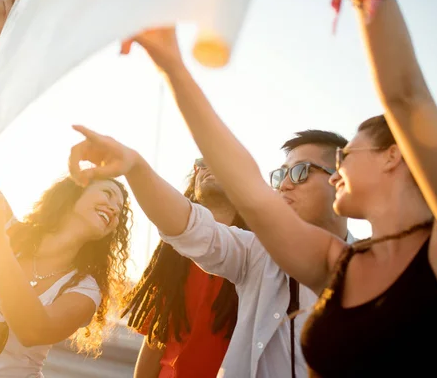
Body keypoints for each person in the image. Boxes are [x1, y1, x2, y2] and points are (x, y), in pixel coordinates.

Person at [110, 0, 437, 376]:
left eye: (346, 155)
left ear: (393, 155)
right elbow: (249, 192)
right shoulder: (340, 265)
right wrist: (172, 67)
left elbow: (407, 97)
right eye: (282, 173)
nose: (338, 173)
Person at [0, 0, 133, 377]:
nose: (114, 208)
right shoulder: (6, 226)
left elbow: (32, 328)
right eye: (108, 192)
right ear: (74, 190)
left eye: (121, 211)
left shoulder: (84, 289)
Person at [67, 125, 353, 378]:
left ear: (341, 179)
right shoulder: (254, 253)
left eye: (301, 172)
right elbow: (187, 226)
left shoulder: (375, 274)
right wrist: (135, 166)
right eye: (281, 175)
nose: (286, 184)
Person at [123, 158, 246, 378]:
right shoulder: (172, 259)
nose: (210, 166)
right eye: (203, 163)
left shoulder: (261, 255)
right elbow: (156, 339)